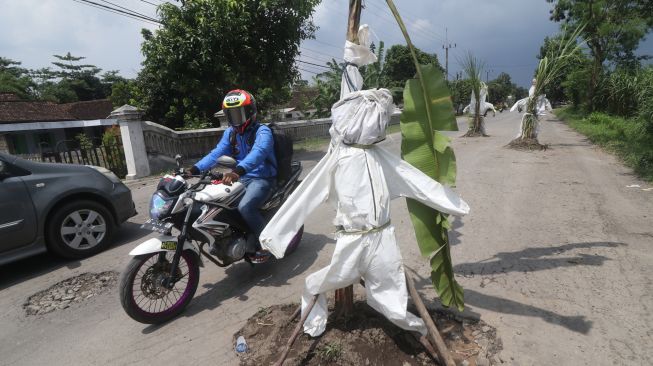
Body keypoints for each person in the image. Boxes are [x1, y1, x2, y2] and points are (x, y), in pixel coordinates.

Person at [186, 89, 277, 263]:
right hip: (241, 177)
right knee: (215, 202)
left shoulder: (262, 131)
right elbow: (216, 154)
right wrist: (194, 169)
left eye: (239, 113)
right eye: (232, 114)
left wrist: (237, 171)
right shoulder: (231, 133)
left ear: (250, 111)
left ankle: (268, 244)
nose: (236, 119)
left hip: (261, 178)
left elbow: (258, 153)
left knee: (246, 207)